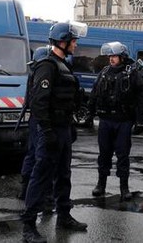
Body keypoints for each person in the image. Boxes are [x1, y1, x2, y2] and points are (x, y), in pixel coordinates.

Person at [21, 21, 89, 243]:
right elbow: (39, 102)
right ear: (63, 41)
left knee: (63, 174)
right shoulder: (47, 65)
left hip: (63, 128)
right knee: (41, 176)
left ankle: (64, 215)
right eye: (73, 40)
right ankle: (29, 226)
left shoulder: (63, 65)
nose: (76, 44)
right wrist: (47, 130)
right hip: (50, 130)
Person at [89, 42, 143, 200]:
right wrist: (90, 113)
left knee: (123, 155)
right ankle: (101, 184)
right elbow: (95, 93)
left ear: (122, 57)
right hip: (106, 120)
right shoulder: (104, 72)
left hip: (123, 121)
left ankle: (124, 187)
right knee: (104, 154)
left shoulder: (132, 73)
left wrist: (140, 120)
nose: (111, 59)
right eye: (110, 56)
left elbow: (142, 97)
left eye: (114, 56)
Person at [18, 46, 52, 201]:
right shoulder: (43, 73)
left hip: (34, 118)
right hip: (42, 118)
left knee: (31, 154)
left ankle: (24, 188)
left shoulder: (33, 72)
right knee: (43, 156)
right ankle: (45, 192)